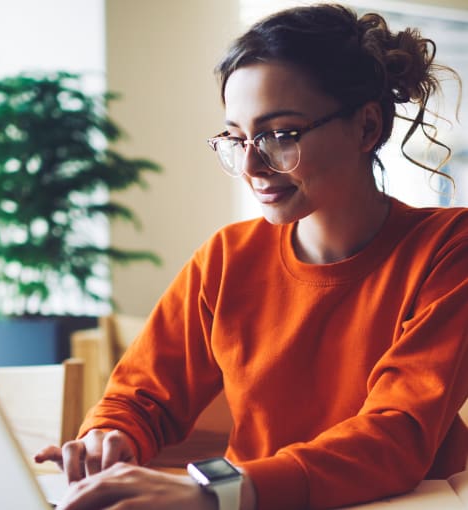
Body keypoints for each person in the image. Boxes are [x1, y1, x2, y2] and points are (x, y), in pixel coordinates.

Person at [36, 4, 468, 510]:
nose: (250, 165)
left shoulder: (448, 248)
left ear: (367, 127)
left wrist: (215, 491)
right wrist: (109, 436)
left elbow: (395, 437)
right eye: (237, 137)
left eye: (280, 135)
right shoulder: (225, 258)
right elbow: (141, 397)